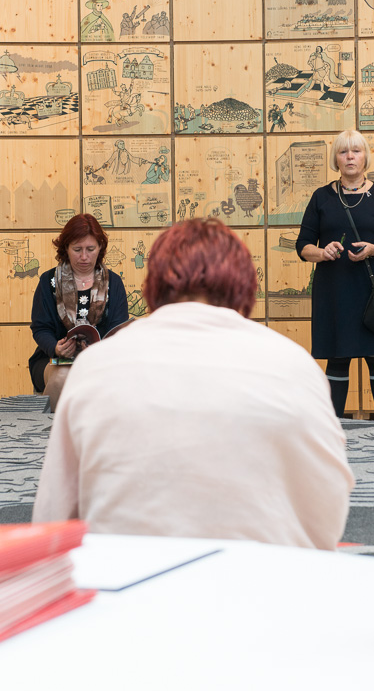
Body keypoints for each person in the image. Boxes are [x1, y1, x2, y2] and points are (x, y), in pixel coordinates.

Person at [33, 219, 354, 548]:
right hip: (262, 571)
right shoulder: (296, 365)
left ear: (153, 287)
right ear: (245, 287)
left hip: (127, 571)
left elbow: (53, 517)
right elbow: (329, 510)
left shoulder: (93, 369)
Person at [296, 130, 374, 422]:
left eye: (356, 151)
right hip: (335, 290)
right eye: (343, 151)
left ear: (365, 157)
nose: (350, 157)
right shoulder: (321, 197)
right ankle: (334, 430)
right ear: (336, 158)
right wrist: (322, 252)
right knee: (337, 358)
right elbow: (303, 246)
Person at [29, 214, 129, 412]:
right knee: (63, 377)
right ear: (66, 248)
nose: (84, 257)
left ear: (100, 248)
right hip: (52, 359)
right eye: (77, 249)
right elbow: (40, 328)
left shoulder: (114, 283)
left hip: (101, 362)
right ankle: (52, 431)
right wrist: (56, 348)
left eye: (90, 249)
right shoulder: (48, 281)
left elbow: (118, 330)